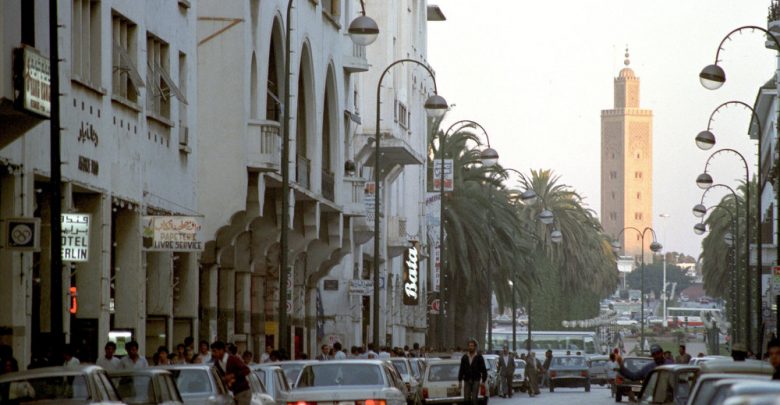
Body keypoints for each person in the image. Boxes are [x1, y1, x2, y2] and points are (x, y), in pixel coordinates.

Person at [211, 341, 252, 405]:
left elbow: (246, 370)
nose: (213, 354)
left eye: (215, 351)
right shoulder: (217, 363)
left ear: (221, 350)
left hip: (243, 391)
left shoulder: (233, 359)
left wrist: (233, 375)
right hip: (232, 393)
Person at [457, 339, 487, 405]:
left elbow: (483, 369)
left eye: (472, 346)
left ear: (475, 347)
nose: (470, 347)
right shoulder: (465, 357)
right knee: (466, 398)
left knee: (474, 398)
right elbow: (461, 369)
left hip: (476, 379)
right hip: (467, 379)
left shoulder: (479, 357)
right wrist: (460, 381)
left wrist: (483, 381)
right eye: (469, 346)